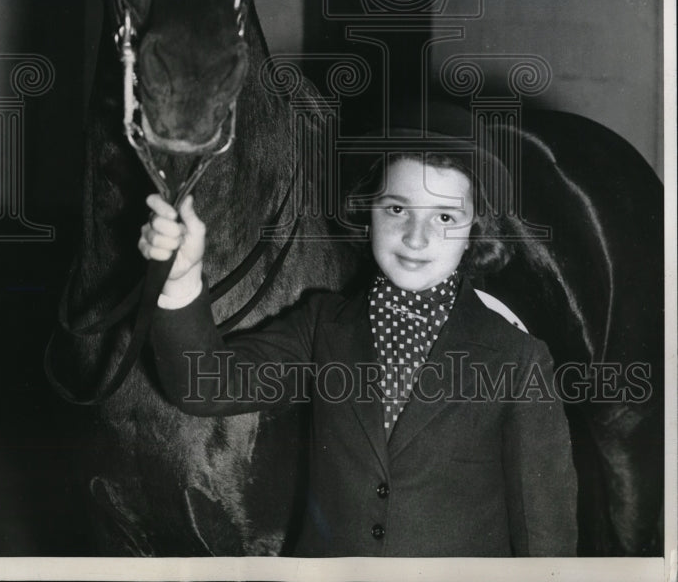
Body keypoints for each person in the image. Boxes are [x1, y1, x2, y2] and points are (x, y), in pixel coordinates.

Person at [140, 133, 578, 557]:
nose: (416, 236)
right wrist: (179, 279)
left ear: (473, 232)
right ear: (368, 213)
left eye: (444, 217)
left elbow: (545, 534)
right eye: (397, 209)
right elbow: (202, 386)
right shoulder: (323, 326)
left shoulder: (518, 357)